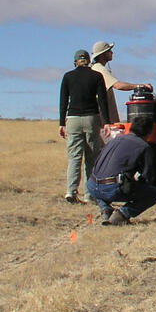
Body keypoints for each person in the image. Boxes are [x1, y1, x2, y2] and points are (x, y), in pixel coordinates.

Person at [85, 115, 156, 226]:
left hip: (92, 186)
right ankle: (122, 214)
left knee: (102, 188)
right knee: (154, 193)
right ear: (149, 132)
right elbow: (148, 177)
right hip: (112, 188)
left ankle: (105, 209)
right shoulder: (144, 147)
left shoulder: (114, 140)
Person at [59, 49, 111, 203]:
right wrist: (107, 122)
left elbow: (63, 100)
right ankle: (89, 195)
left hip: (73, 118)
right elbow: (102, 100)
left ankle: (71, 192)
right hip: (91, 118)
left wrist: (61, 123)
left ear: (75, 62)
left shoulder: (68, 76)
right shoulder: (96, 76)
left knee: (74, 157)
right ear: (88, 61)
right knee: (91, 158)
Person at [90, 41, 152, 123]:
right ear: (102, 54)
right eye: (109, 51)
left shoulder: (96, 68)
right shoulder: (100, 69)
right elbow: (118, 85)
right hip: (101, 118)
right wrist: (140, 86)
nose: (112, 53)